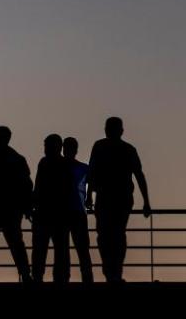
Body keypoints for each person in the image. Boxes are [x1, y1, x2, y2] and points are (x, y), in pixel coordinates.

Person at [86, 117, 151, 283]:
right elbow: (139, 175)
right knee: (114, 235)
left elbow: (92, 172)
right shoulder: (126, 149)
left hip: (111, 198)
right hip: (117, 198)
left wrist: (88, 197)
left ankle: (111, 271)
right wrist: (146, 202)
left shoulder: (102, 147)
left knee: (107, 235)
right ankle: (113, 272)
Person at [0, 126, 33, 284]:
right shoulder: (17, 159)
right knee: (16, 243)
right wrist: (27, 206)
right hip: (12, 208)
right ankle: (25, 273)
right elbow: (26, 185)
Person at [31, 134, 75, 284]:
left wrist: (33, 205)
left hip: (45, 213)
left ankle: (38, 276)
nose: (45, 149)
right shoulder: (65, 164)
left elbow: (38, 188)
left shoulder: (44, 163)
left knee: (40, 249)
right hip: (59, 215)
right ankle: (61, 278)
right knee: (61, 249)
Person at [63, 137, 94, 283]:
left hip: (64, 211)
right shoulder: (83, 168)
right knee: (82, 248)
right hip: (78, 211)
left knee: (64, 247)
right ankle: (87, 277)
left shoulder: (58, 167)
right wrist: (89, 198)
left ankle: (64, 277)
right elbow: (93, 182)